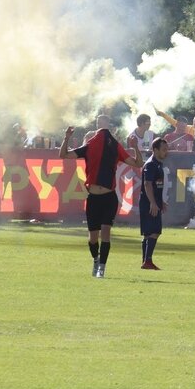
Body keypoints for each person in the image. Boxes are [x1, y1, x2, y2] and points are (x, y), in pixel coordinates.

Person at [59, 114, 143, 278]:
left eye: (103, 124)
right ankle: (96, 260)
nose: (101, 129)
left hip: (109, 197)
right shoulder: (90, 146)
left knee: (105, 232)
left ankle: (102, 268)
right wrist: (66, 137)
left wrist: (135, 147)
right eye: (99, 124)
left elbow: (138, 163)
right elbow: (64, 155)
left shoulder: (115, 147)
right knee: (92, 238)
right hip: (93, 198)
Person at [140, 137, 169, 270]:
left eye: (166, 149)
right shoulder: (151, 164)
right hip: (149, 203)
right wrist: (152, 203)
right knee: (155, 231)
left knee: (148, 233)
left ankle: (145, 261)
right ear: (155, 150)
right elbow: (147, 184)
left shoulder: (157, 164)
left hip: (153, 202)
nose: (166, 152)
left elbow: (156, 185)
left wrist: (160, 201)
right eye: (163, 150)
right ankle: (148, 261)